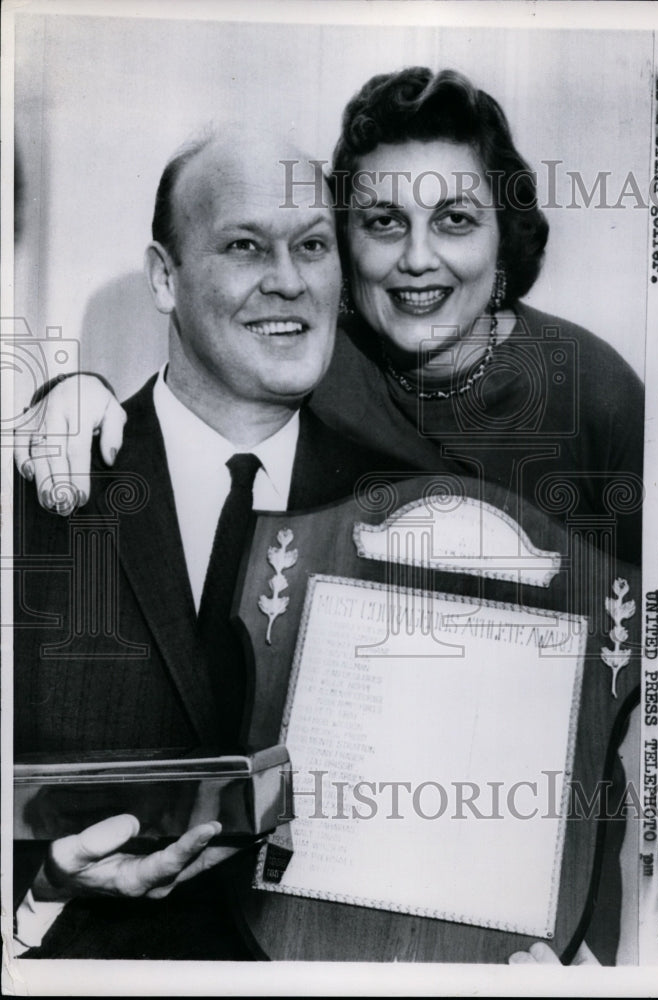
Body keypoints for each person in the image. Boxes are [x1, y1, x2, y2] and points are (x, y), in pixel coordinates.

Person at [15, 67, 643, 963]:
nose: (416, 259)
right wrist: (67, 391)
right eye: (243, 246)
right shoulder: (62, 480)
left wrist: (571, 939)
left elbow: (586, 708)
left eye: (309, 247)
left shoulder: (535, 432)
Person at [12, 125, 408, 960]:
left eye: (311, 246)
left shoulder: (405, 514)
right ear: (165, 277)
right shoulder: (41, 492)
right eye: (243, 245)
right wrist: (43, 884)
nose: (289, 281)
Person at [16, 67, 644, 568]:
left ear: (502, 236)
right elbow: (179, 401)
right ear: (344, 244)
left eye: (455, 220)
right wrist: (75, 391)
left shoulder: (596, 394)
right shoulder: (309, 355)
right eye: (383, 222)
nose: (418, 260)